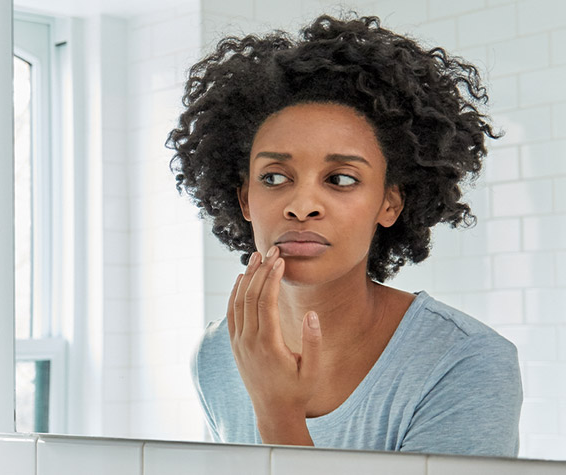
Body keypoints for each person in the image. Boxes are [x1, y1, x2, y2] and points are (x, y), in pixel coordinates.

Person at [168, 15, 522, 457]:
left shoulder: (467, 362)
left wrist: (278, 411)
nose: (301, 205)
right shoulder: (217, 356)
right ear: (244, 201)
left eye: (340, 179)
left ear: (390, 203)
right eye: (275, 177)